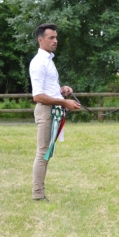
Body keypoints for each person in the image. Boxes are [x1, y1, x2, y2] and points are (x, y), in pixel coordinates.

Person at [29, 23, 81, 201]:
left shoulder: (49, 61)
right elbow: (38, 96)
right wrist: (64, 102)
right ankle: (38, 194)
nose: (55, 41)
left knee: (46, 153)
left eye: (56, 37)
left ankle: (39, 192)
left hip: (52, 110)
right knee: (43, 153)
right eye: (51, 37)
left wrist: (62, 90)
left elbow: (48, 90)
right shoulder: (38, 63)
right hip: (45, 111)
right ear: (40, 40)